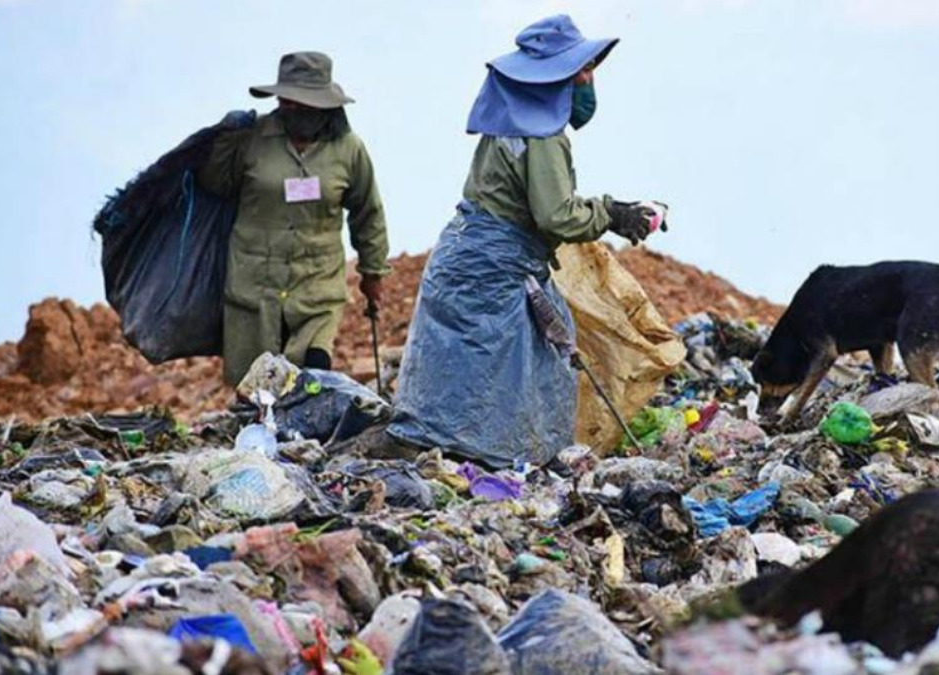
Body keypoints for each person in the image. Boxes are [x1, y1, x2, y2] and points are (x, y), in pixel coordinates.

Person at [377, 15, 665, 467]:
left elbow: (535, 204)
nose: (589, 81)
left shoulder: (508, 124)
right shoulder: (543, 137)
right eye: (582, 72)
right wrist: (612, 214)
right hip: (495, 266)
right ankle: (497, 459)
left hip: (468, 255)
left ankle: (455, 450)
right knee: (514, 363)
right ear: (556, 79)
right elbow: (556, 215)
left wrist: (610, 208)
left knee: (470, 361)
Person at [199, 51, 390, 385]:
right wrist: (223, 144)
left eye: (302, 103)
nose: (291, 109)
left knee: (311, 378)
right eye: (287, 102)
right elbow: (214, 185)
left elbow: (367, 212)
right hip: (255, 286)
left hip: (317, 287)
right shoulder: (252, 139)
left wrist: (372, 272)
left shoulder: (348, 149)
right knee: (258, 390)